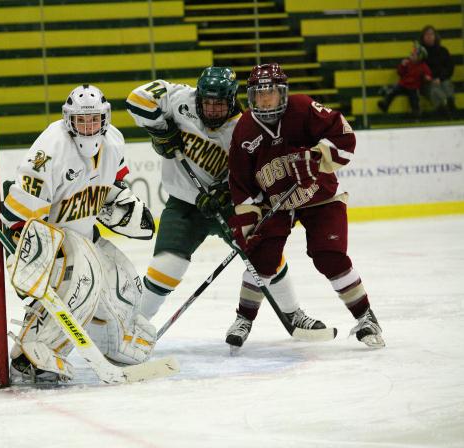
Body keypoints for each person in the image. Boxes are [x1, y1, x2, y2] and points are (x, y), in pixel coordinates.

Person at [125, 66, 328, 348]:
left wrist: (226, 190)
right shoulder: (180, 98)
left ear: (232, 100)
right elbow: (137, 98)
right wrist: (161, 129)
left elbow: (260, 174)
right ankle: (131, 327)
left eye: (219, 104)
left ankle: (293, 313)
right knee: (167, 265)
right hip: (184, 203)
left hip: (231, 206)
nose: (212, 110)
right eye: (207, 102)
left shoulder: (247, 126)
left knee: (267, 255)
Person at [0, 84, 157, 382]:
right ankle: (31, 353)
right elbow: (20, 212)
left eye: (94, 119)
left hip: (87, 234)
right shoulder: (52, 146)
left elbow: (115, 185)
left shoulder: (114, 142)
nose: (88, 127)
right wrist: (29, 253)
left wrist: (122, 205)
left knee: (125, 286)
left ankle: (115, 342)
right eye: (81, 120)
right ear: (68, 119)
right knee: (83, 284)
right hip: (52, 239)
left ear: (105, 118)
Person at [226, 62, 385, 349]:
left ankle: (366, 317)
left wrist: (315, 157)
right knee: (261, 258)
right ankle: (244, 318)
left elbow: (344, 138)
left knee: (329, 255)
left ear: (282, 93)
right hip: (277, 204)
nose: (264, 99)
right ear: (250, 97)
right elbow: (240, 182)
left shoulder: (303, 108)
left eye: (270, 93)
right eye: (259, 94)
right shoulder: (245, 129)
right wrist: (246, 224)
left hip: (321, 197)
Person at [377, 41, 432, 119]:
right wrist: (402, 65)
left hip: (414, 87)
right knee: (392, 92)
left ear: (420, 57)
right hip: (403, 84)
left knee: (414, 99)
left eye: (413, 55)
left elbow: (428, 75)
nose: (411, 56)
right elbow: (400, 72)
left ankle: (416, 112)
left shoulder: (423, 66)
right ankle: (385, 104)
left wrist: (427, 78)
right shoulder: (407, 63)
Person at [419, 25, 456, 118]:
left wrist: (440, 78)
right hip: (427, 82)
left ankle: (451, 107)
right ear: (423, 37)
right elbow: (416, 69)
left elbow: (450, 68)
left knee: (446, 84)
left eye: (431, 34)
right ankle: (443, 110)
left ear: (435, 36)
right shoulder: (420, 53)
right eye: (426, 34)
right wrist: (428, 78)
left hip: (442, 79)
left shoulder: (443, 51)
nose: (429, 36)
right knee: (434, 89)